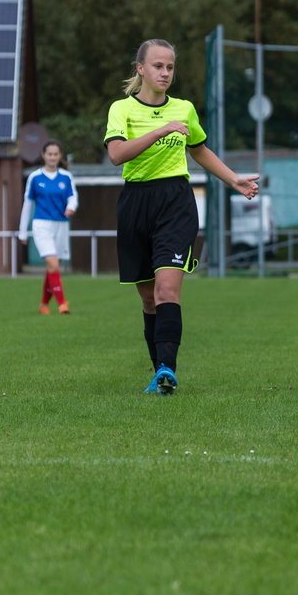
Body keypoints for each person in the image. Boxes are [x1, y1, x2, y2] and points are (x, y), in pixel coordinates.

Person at [104, 38, 260, 395]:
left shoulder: (185, 109)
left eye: (170, 67)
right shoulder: (121, 110)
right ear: (140, 69)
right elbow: (117, 155)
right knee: (147, 298)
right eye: (158, 66)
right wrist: (159, 131)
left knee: (168, 288)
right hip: (135, 203)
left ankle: (166, 370)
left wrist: (233, 178)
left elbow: (200, 150)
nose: (165, 73)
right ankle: (157, 370)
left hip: (176, 201)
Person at [18, 140, 77, 315]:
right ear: (43, 155)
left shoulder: (66, 177)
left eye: (55, 154)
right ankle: (62, 303)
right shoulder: (35, 178)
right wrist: (22, 231)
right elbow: (27, 204)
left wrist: (71, 207)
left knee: (52, 267)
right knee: (53, 263)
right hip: (41, 224)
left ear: (60, 156)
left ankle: (44, 304)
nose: (52, 157)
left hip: (61, 225)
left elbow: (73, 197)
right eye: (49, 154)